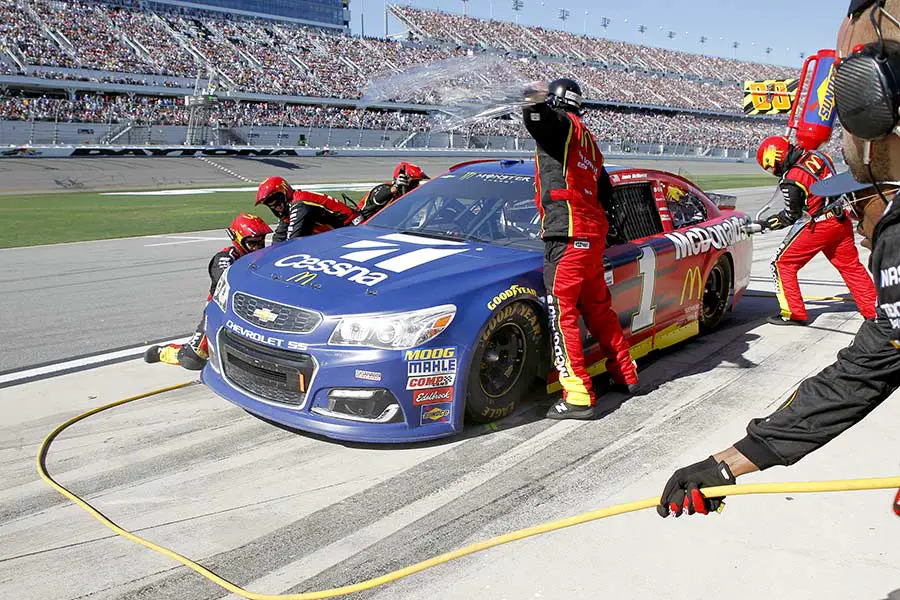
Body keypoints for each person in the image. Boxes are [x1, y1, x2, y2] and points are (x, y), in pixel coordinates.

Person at [658, 0, 900, 518]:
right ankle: (867, 306)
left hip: (817, 227)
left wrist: (729, 462)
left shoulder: (877, 215)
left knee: (785, 266)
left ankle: (794, 309)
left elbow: (866, 372)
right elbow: (878, 355)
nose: (858, 216)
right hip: (827, 232)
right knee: (861, 281)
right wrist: (730, 464)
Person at [522, 78, 639, 420]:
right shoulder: (588, 142)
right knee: (599, 310)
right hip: (591, 237)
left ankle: (577, 393)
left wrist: (532, 99)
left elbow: (539, 121)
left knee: (562, 313)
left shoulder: (562, 127)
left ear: (556, 103)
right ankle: (626, 373)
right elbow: (607, 191)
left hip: (568, 236)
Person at [755, 135, 877, 325]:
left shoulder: (792, 180)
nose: (775, 172)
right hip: (841, 219)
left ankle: (793, 313)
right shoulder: (819, 156)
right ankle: (872, 311)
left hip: (820, 225)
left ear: (776, 158)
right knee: (851, 267)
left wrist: (766, 224)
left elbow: (790, 216)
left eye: (772, 167)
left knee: (781, 263)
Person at [144, 213, 272, 370]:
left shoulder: (267, 257)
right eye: (253, 243)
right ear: (237, 239)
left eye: (261, 242)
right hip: (220, 312)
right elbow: (225, 279)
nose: (258, 247)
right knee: (193, 360)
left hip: (256, 312)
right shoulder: (225, 258)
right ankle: (166, 351)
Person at [255, 176, 361, 243]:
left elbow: (292, 242)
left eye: (278, 203)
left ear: (285, 194)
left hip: (353, 230)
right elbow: (278, 239)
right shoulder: (291, 206)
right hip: (343, 233)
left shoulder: (300, 205)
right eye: (272, 206)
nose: (277, 208)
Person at [357, 162, 430, 220]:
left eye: (417, 182)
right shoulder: (385, 188)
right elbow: (378, 198)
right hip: (362, 224)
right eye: (414, 182)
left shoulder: (406, 195)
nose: (416, 185)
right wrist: (395, 187)